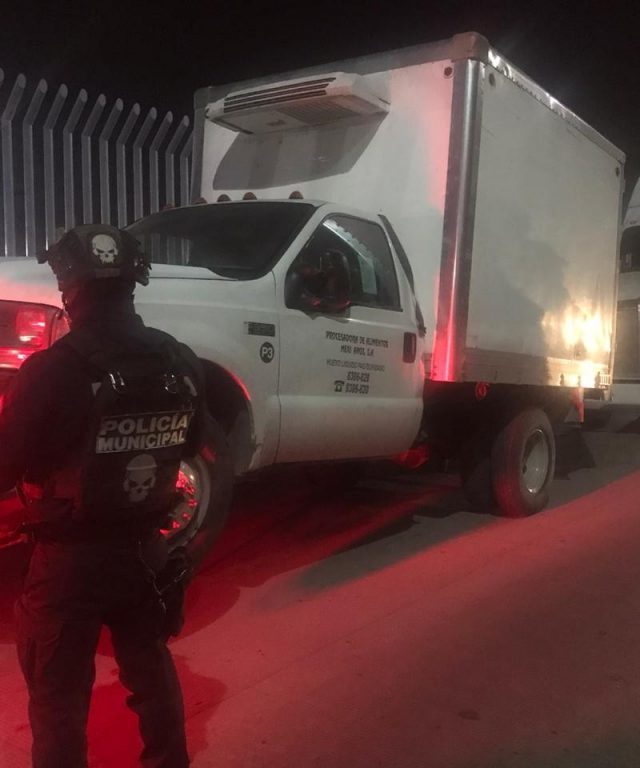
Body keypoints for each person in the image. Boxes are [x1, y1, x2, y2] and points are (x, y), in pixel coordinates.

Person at [0, 224, 207, 768]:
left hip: (68, 564)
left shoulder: (52, 370)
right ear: (133, 283)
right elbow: (191, 443)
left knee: (58, 703)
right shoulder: (180, 359)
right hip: (147, 551)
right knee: (152, 674)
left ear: (69, 287)